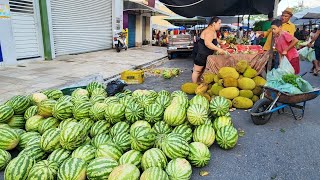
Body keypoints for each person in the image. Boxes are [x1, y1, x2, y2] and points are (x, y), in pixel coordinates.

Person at [192, 16, 226, 83]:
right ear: (214, 23)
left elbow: (214, 40)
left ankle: (198, 84)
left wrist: (220, 41)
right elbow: (208, 43)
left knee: (201, 71)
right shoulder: (209, 31)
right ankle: (194, 85)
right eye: (219, 23)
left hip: (206, 54)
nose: (220, 25)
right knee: (197, 71)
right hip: (202, 54)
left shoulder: (213, 31)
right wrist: (218, 49)